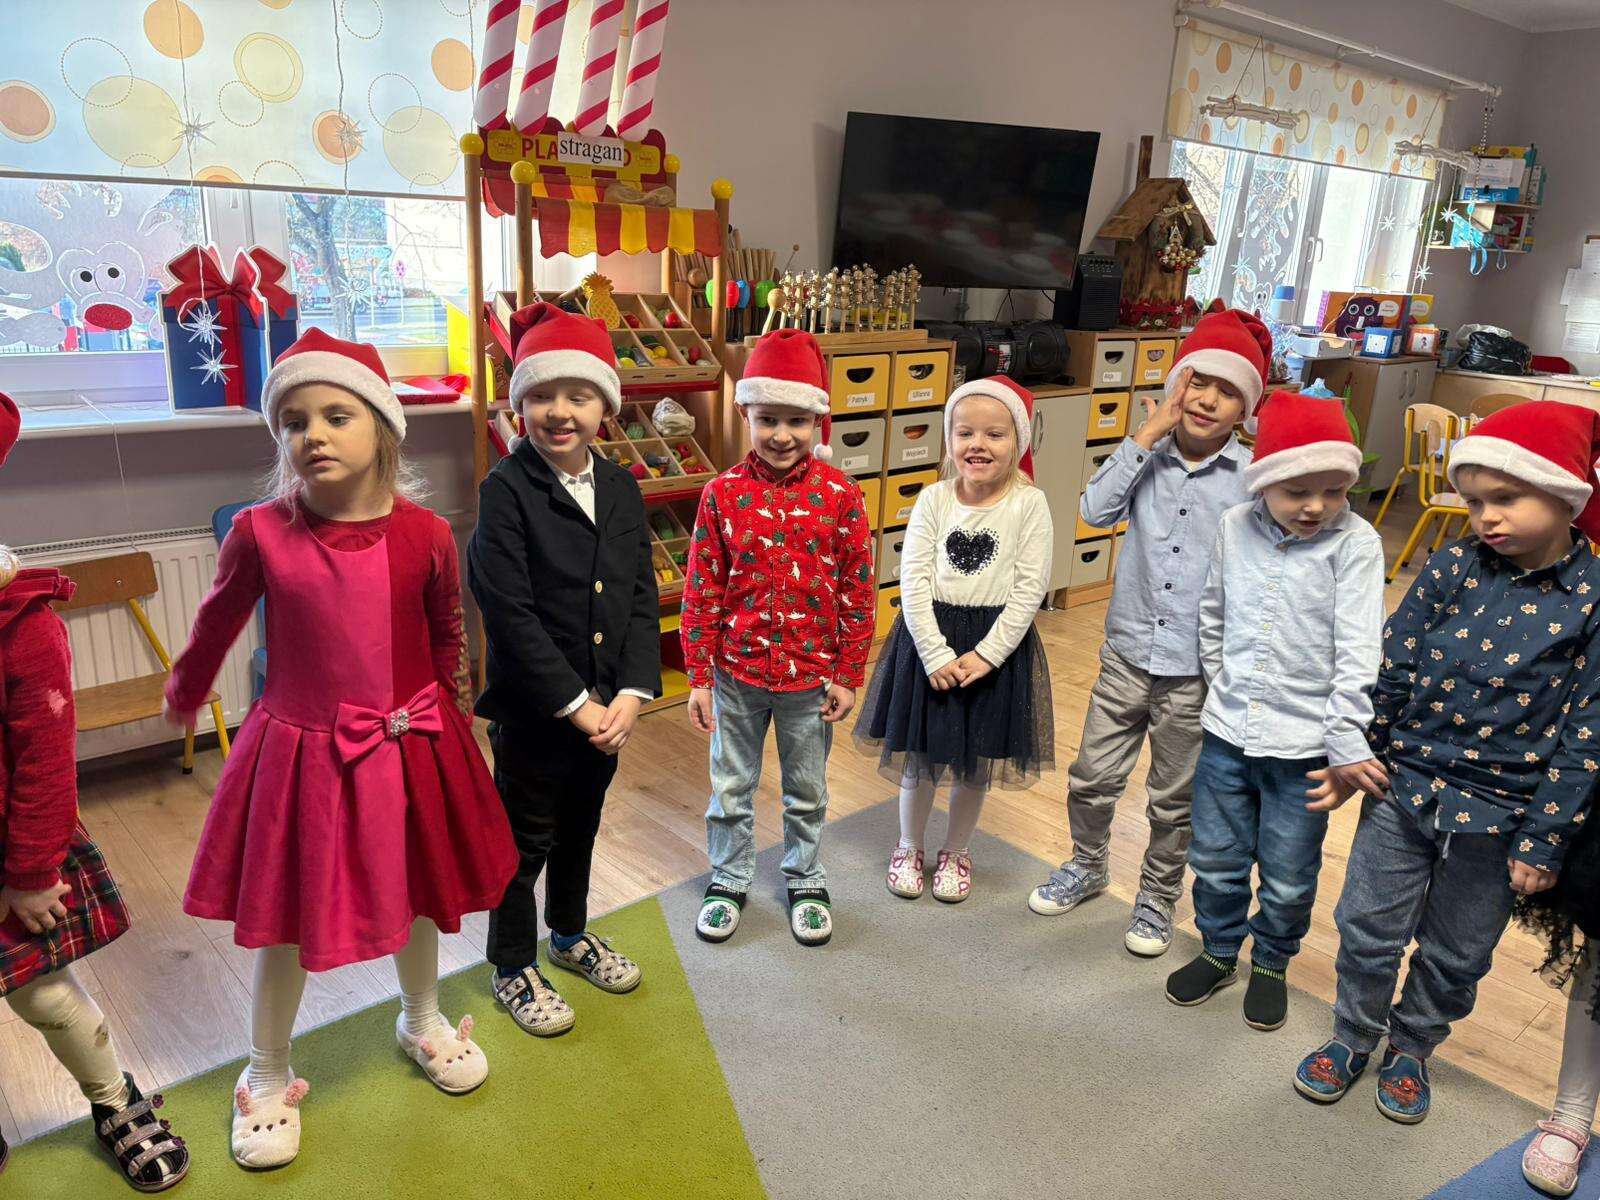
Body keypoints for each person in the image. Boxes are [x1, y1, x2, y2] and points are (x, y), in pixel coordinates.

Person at [165, 330, 517, 1169]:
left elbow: (446, 633)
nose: (312, 434)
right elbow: (216, 622)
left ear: (383, 427)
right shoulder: (259, 532)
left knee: (418, 893)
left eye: (334, 415)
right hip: (304, 759)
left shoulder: (428, 534)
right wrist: (185, 690)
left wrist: (451, 720)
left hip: (412, 746)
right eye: (293, 422)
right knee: (286, 918)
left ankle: (421, 1017)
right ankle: (265, 1068)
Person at [1293, 401, 1600, 1125]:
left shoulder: (1593, 597)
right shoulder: (1454, 564)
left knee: (1458, 952)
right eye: (1475, 502)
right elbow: (1395, 663)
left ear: (1563, 495)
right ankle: (1352, 1034)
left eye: (1506, 498)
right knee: (1366, 925)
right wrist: (1359, 752)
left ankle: (1412, 1047)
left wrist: (1544, 839)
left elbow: (1588, 732)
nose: (1486, 517)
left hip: (1503, 816)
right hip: (1404, 788)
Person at [1027, 309, 1264, 957]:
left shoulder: (1250, 478)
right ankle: (1087, 865)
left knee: (1173, 799)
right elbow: (1094, 509)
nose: (1206, 399)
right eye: (1196, 382)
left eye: (1226, 391)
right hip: (1127, 654)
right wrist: (1145, 434)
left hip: (1195, 671)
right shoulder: (1145, 457)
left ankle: (1158, 897)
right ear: (1175, 386)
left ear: (1245, 408)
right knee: (1091, 777)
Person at [0, 392, 190, 1191]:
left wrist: (31, 870)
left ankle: (115, 1101)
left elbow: (45, 762)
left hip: (12, 853)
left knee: (45, 997)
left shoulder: (21, 624)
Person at [1162, 391, 1385, 1031]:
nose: (1316, 506)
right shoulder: (1234, 527)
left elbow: (1360, 649)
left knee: (1288, 874)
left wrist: (1345, 738)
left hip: (1305, 748)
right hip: (1227, 735)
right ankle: (1219, 950)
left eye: (1333, 491)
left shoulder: (1356, 543)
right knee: (1216, 859)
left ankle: (1270, 963)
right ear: (1263, 483)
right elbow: (1212, 613)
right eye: (1297, 492)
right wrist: (1223, 686)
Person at [469, 302, 660, 1036]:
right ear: (520, 406)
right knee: (523, 845)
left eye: (578, 396)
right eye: (542, 395)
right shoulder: (505, 491)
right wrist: (577, 705)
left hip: (609, 711)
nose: (559, 412)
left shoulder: (621, 487)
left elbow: (639, 595)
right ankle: (512, 964)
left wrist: (632, 694)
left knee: (581, 828)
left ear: (604, 407)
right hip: (536, 715)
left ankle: (570, 933)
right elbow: (508, 614)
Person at [681, 328, 874, 946]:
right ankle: (728, 877)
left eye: (797, 420)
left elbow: (858, 590)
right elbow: (702, 589)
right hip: (736, 675)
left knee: (807, 790)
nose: (782, 434)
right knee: (730, 788)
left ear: (818, 420)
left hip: (810, 679)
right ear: (746, 415)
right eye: (768, 419)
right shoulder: (721, 495)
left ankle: (806, 876)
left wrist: (848, 673)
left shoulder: (842, 497)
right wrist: (699, 676)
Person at [857, 376, 1054, 902]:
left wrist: (988, 654)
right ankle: (908, 846)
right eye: (965, 433)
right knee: (920, 757)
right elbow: (912, 580)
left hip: (994, 652)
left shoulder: (1029, 504)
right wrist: (934, 651)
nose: (978, 445)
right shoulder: (933, 500)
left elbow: (1030, 588)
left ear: (1018, 441)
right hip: (930, 644)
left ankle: (957, 850)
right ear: (949, 440)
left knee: (975, 763)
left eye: (994, 434)